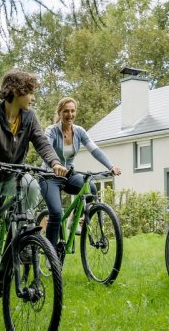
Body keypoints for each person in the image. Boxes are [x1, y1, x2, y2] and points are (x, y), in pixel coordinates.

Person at [0, 69, 68, 320]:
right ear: (16, 92)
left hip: (11, 176)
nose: (32, 97)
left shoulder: (29, 117)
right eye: (29, 92)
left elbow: (42, 142)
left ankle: (19, 240)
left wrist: (54, 162)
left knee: (32, 184)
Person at [40, 96, 121, 252]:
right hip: (49, 176)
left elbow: (94, 150)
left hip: (68, 175)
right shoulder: (51, 130)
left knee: (90, 188)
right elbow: (46, 149)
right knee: (56, 213)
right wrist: (55, 164)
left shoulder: (79, 132)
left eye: (72, 111)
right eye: (66, 111)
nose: (70, 115)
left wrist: (111, 166)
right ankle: (50, 251)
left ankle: (73, 222)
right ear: (59, 112)